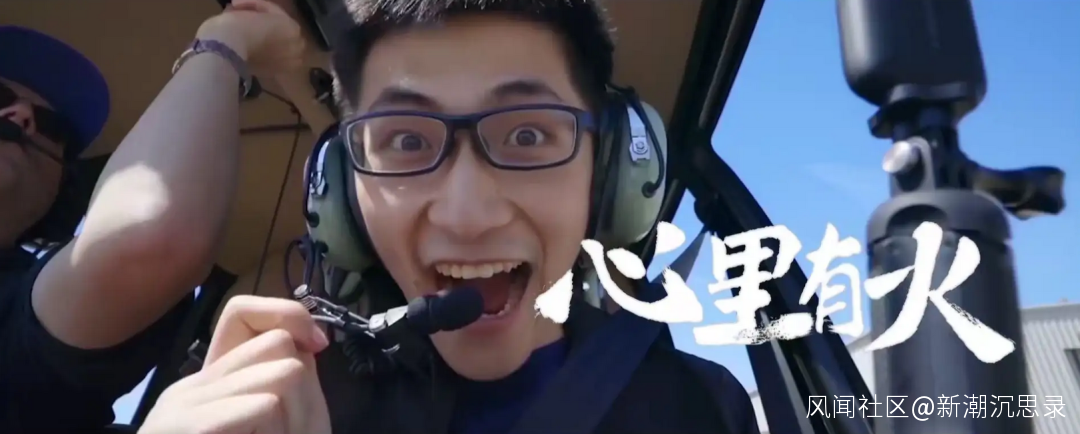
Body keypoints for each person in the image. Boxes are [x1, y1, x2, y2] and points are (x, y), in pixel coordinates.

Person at [138, 0, 759, 433]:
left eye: (527, 135)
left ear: (608, 172)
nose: (467, 216)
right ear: (343, 194)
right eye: (406, 141)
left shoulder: (702, 408)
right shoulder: (284, 406)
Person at [0, 5, 300, 431]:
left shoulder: (20, 311)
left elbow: (145, 238)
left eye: (53, 128)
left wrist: (225, 41)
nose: (21, 117)